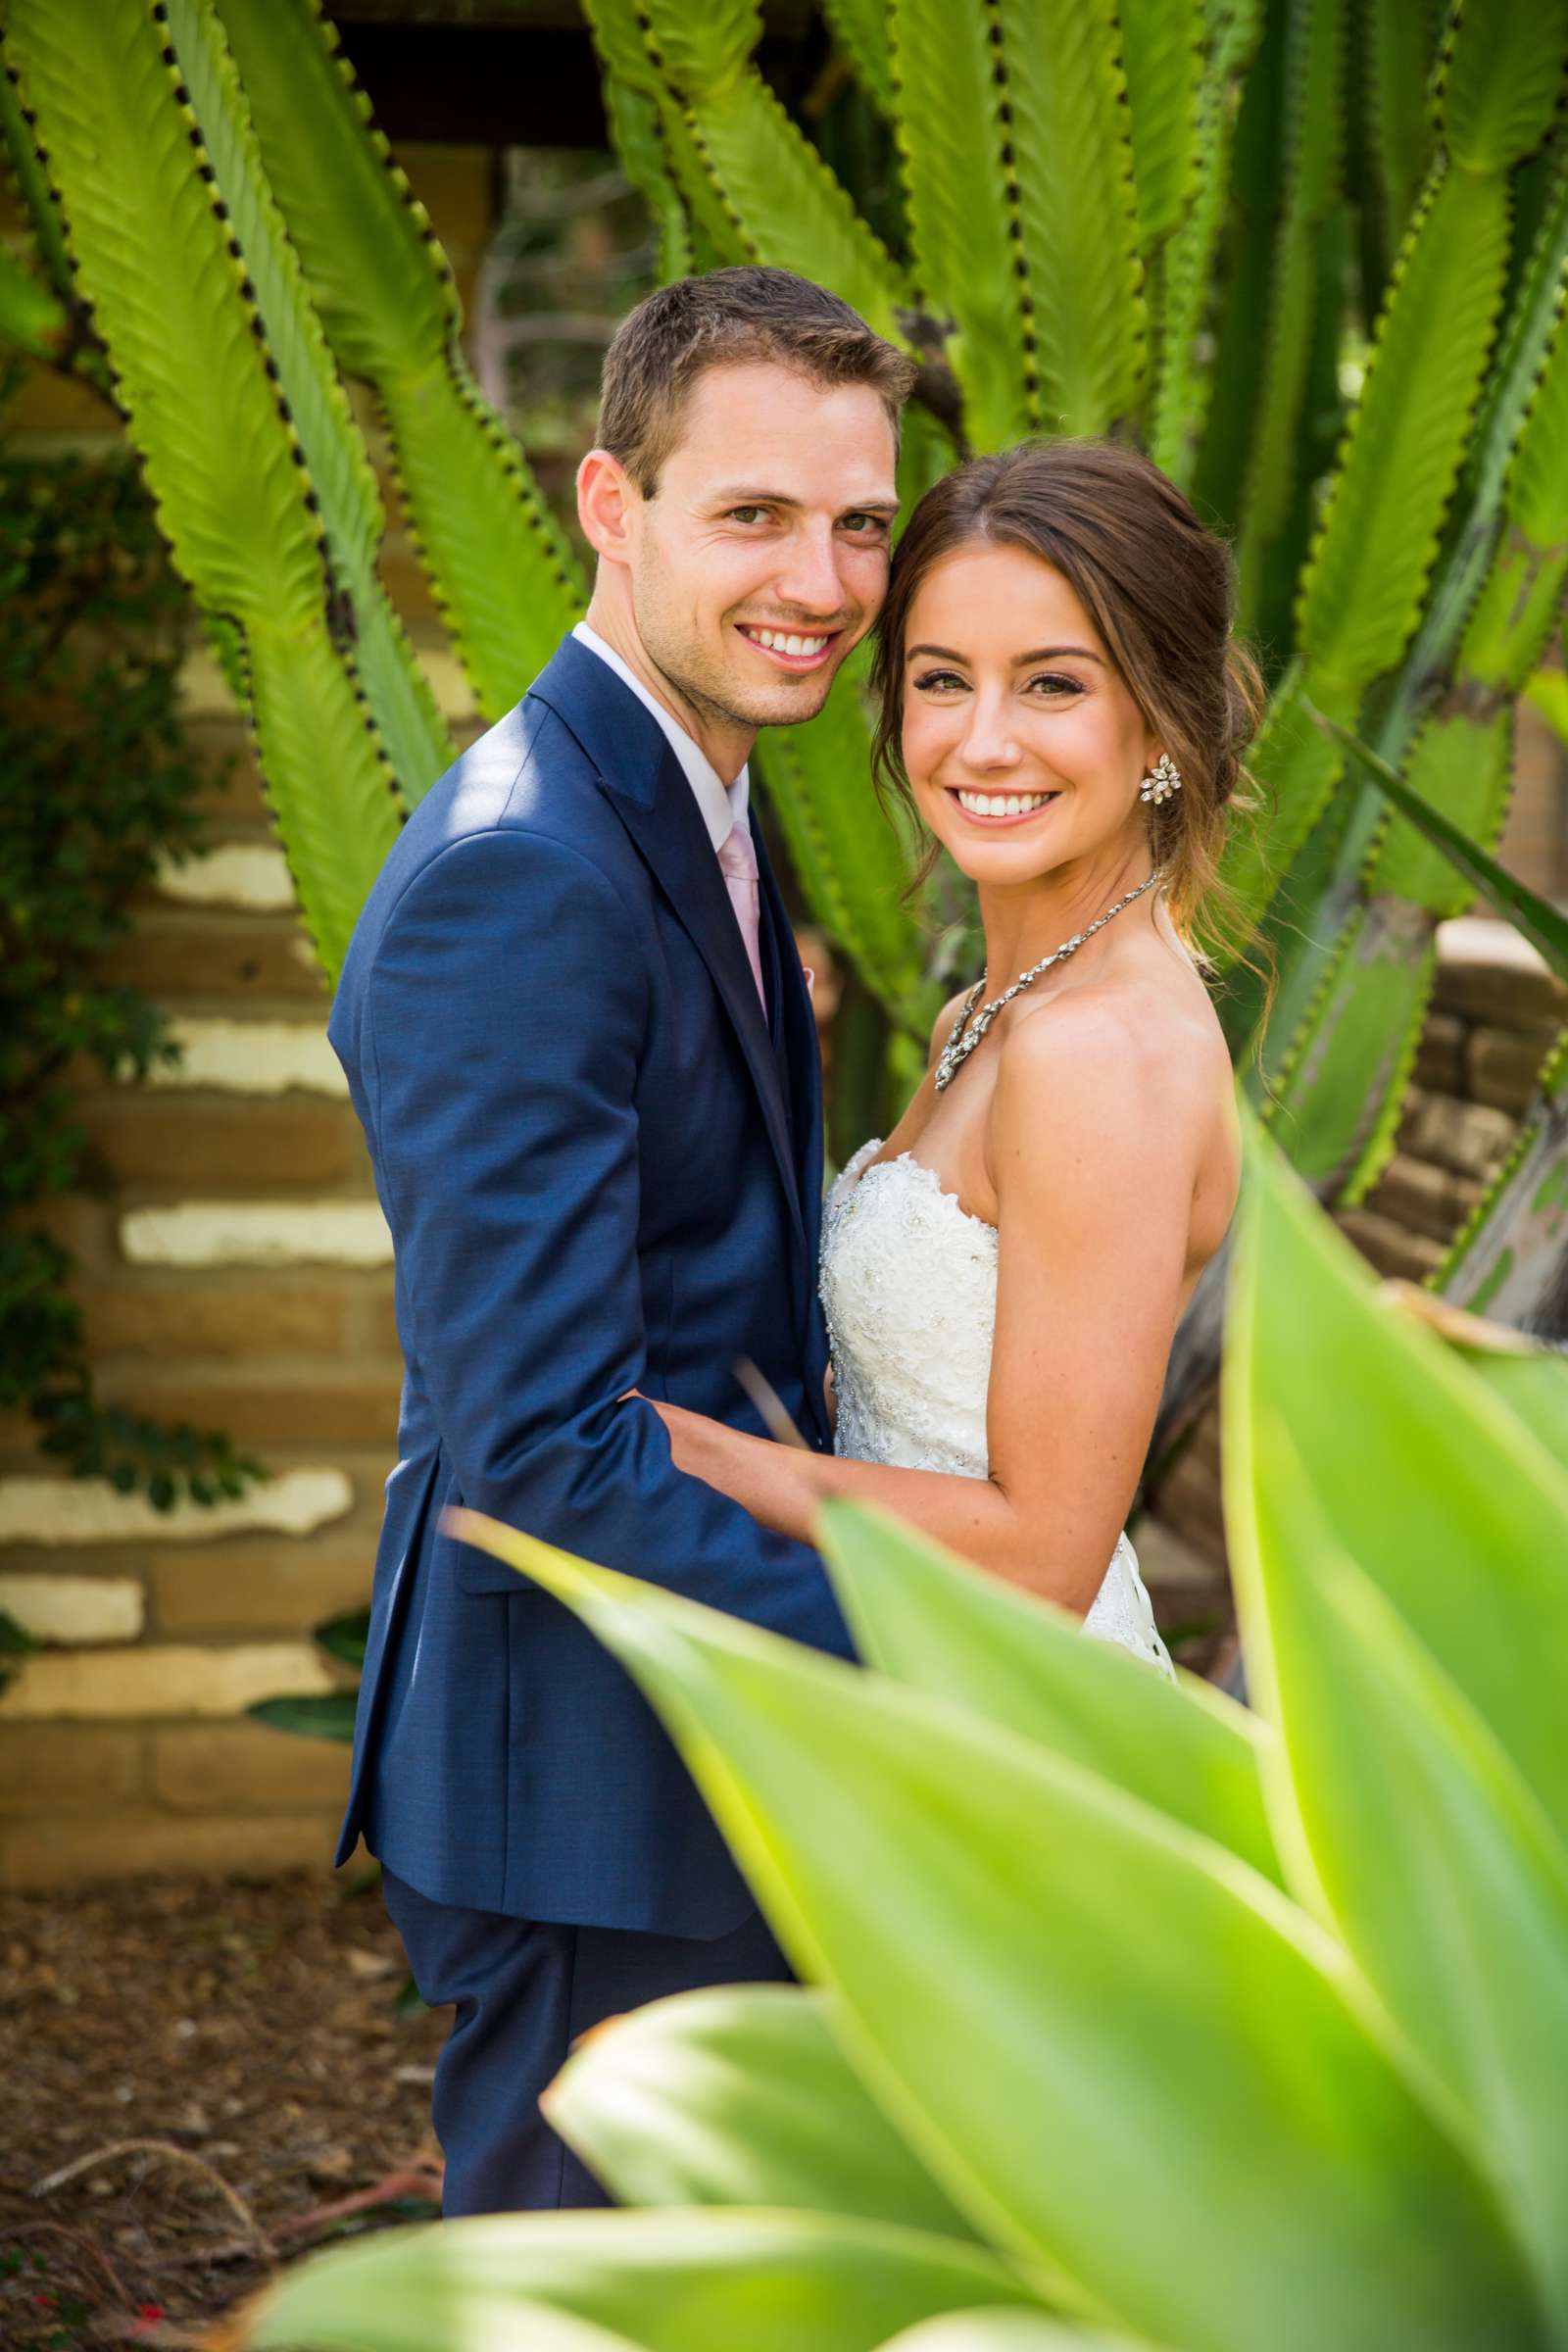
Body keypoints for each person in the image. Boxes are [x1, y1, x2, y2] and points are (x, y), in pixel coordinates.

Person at [326, 266, 915, 2215]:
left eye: (856, 525)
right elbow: (544, 1451)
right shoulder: (527, 869)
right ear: (609, 504)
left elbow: (1158, 760)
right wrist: (926, 1660)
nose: (820, 581)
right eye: (751, 516)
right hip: (584, 1773)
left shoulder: (711, 806)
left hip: (684, 1744)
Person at [643, 440, 1261, 1669]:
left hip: (1031, 1731)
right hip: (914, 1681)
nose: (980, 744)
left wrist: (671, 1442)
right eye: (940, 679)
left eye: (1051, 686)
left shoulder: (1098, 1053)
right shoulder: (991, 1010)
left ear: (1163, 723)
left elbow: (1043, 1555)